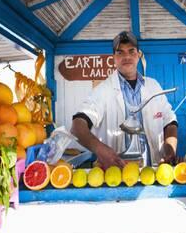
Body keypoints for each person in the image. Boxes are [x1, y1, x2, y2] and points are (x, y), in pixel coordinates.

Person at [71, 31, 178, 169]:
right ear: (113, 58)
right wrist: (99, 149)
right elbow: (77, 126)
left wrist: (170, 150)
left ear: (138, 55)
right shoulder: (103, 90)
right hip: (116, 176)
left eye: (131, 51)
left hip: (155, 173)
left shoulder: (154, 86)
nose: (126, 56)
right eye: (120, 52)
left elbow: (170, 122)